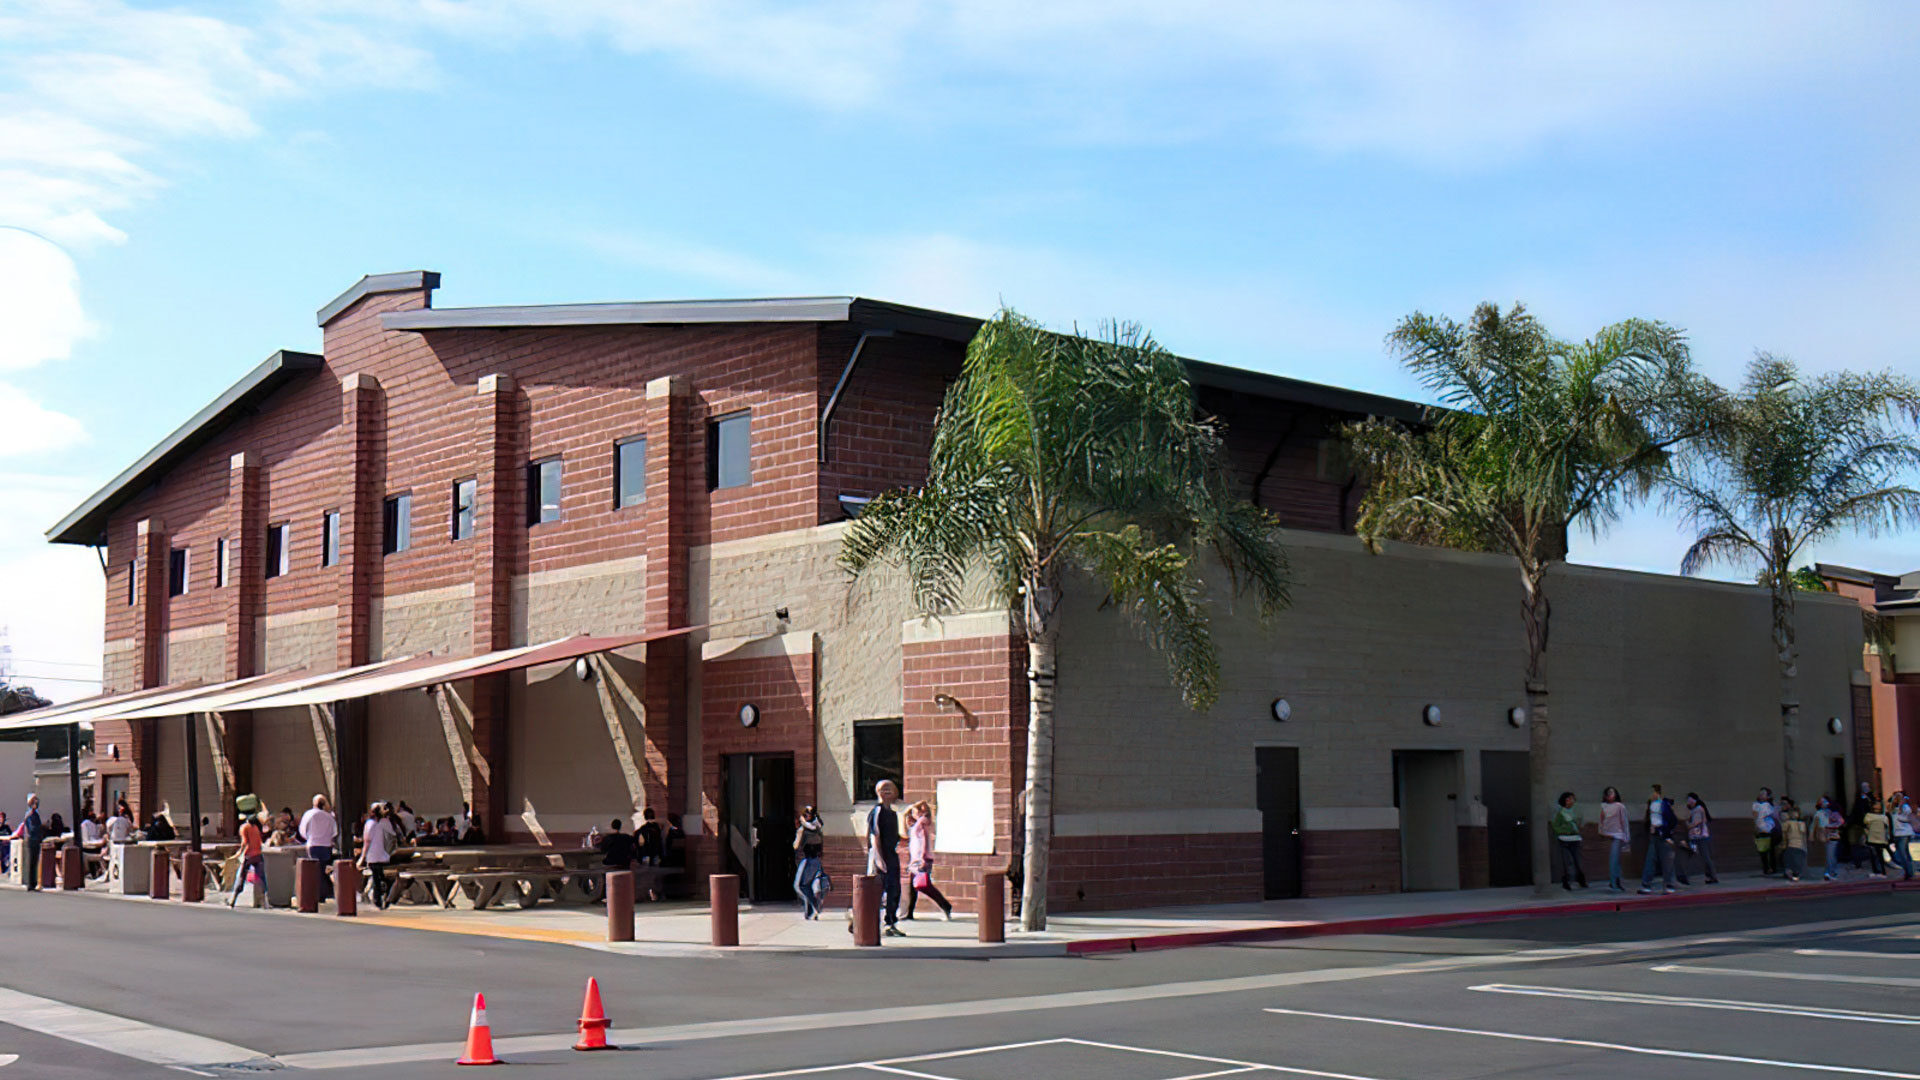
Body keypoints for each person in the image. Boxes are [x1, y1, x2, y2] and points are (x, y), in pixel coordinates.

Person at [904, 799, 955, 919]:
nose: (913, 814)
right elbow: (907, 832)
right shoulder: (918, 823)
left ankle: (945, 905)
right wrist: (908, 814)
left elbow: (924, 841)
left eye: (915, 811)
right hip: (916, 859)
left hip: (920, 859)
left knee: (924, 886)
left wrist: (922, 857)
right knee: (913, 887)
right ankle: (909, 912)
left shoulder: (922, 823)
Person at [866, 780, 904, 936]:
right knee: (877, 891)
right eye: (883, 788)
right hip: (881, 857)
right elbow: (874, 836)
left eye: (890, 788)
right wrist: (879, 860)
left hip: (892, 856)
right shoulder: (877, 811)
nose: (887, 790)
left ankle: (890, 923)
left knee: (894, 890)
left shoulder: (893, 814)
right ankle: (861, 920)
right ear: (877, 792)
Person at [1639, 784, 1678, 894]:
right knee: (1651, 860)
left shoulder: (1663, 804)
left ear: (1658, 793)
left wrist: (1665, 832)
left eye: (1654, 793)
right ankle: (1646, 884)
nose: (1652, 795)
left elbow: (1672, 820)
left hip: (1663, 835)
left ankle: (1669, 885)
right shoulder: (1651, 805)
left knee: (1666, 861)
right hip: (1654, 835)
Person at [300, 795, 338, 901]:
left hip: (313, 845)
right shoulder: (329, 817)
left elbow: (302, 830)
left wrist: (308, 838)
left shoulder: (309, 814)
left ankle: (316, 894)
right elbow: (334, 832)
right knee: (323, 870)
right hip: (326, 846)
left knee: (314, 870)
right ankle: (323, 893)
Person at [359, 802, 397, 909]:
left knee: (376, 878)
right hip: (384, 855)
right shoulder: (385, 822)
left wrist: (362, 857)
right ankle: (383, 897)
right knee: (381, 877)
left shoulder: (370, 823)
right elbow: (393, 834)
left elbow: (367, 841)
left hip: (373, 855)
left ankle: (377, 900)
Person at [230, 812, 270, 907]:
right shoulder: (256, 828)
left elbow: (244, 842)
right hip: (258, 855)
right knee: (261, 878)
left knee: (241, 876)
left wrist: (239, 853)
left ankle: (233, 899)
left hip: (248, 855)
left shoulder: (244, 827)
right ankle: (265, 901)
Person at [792, 805, 826, 919]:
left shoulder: (803, 830)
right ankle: (810, 911)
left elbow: (796, 846)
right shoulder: (818, 829)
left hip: (806, 860)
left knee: (800, 886)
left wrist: (798, 832)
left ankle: (815, 906)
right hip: (816, 860)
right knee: (807, 885)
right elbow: (821, 845)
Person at [1549, 791, 1587, 891]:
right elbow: (1555, 826)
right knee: (1567, 861)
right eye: (1570, 799)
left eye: (1572, 799)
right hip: (1564, 839)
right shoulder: (1560, 813)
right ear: (1565, 801)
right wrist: (1564, 831)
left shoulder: (1574, 812)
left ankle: (1580, 880)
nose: (1572, 801)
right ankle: (1566, 881)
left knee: (1577, 861)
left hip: (1575, 839)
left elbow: (1578, 824)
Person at [1682, 793, 1719, 884]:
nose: (1688, 801)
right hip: (1698, 837)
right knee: (1700, 856)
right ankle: (1710, 876)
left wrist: (1687, 824)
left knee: (1697, 856)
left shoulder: (1697, 809)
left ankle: (1711, 876)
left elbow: (1696, 823)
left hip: (1699, 837)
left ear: (1693, 800)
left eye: (1689, 799)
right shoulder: (1695, 810)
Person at [1597, 786, 1629, 892]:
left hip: (1617, 835)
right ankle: (1615, 881)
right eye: (1609, 793)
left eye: (1612, 793)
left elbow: (1624, 822)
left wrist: (1626, 838)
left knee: (1614, 860)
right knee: (1614, 860)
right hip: (1606, 835)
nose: (1611, 795)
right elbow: (1601, 820)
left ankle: (1615, 882)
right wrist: (1600, 832)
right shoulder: (1604, 806)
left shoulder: (1620, 806)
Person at [1814, 796, 1846, 880]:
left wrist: (1830, 826)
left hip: (1832, 836)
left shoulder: (1833, 813)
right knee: (1825, 855)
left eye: (1824, 801)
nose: (1823, 803)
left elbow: (1841, 822)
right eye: (1821, 802)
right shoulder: (1819, 813)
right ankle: (1828, 871)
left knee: (1830, 855)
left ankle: (1831, 872)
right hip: (1822, 836)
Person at [1751, 788, 1779, 875]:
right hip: (1762, 829)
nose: (1761, 795)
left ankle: (1773, 867)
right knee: (1763, 850)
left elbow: (1775, 816)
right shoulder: (1756, 805)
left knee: (1771, 850)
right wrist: (1756, 827)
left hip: (1771, 829)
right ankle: (1766, 868)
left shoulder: (1770, 805)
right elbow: (1755, 816)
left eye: (1764, 794)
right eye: (1761, 793)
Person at [21, 795, 45, 892]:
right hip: (31, 840)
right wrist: (41, 828)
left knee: (35, 862)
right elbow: (32, 828)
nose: (36, 804)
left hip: (36, 840)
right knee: (31, 861)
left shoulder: (36, 814)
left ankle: (33, 883)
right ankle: (30, 883)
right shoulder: (30, 815)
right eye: (34, 802)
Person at [1863, 797, 1892, 878]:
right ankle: (1877, 871)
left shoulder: (1882, 817)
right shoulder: (1870, 816)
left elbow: (1887, 828)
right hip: (1873, 838)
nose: (1877, 807)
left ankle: (1882, 871)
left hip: (1879, 838)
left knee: (1878, 855)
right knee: (1874, 856)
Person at [1891, 793, 1917, 881]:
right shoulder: (1893, 808)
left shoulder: (1905, 807)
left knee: (1903, 854)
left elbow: (1907, 817)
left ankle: (1909, 873)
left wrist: (1901, 807)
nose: (1896, 800)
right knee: (1903, 853)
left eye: (1898, 798)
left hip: (1904, 833)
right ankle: (1909, 872)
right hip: (1897, 833)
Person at [1780, 805, 1809, 882]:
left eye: (1795, 813)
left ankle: (1793, 875)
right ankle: (1794, 874)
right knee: (1793, 862)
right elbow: (1784, 836)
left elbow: (1803, 836)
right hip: (1793, 845)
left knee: (1793, 862)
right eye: (1793, 813)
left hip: (1796, 846)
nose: (1794, 814)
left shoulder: (1790, 823)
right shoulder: (1792, 823)